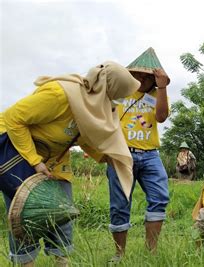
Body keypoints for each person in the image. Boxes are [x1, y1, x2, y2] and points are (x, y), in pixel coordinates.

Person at [0, 61, 140, 267]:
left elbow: (81, 136)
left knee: (62, 214)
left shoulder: (90, 105)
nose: (114, 103)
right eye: (114, 97)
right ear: (104, 90)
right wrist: (35, 161)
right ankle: (25, 263)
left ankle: (62, 262)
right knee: (26, 215)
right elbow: (13, 119)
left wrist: (107, 157)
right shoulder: (59, 95)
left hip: (55, 160)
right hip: (18, 154)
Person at [106, 47, 170, 263]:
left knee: (159, 198)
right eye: (138, 74)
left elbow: (161, 117)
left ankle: (151, 252)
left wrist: (162, 87)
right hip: (122, 155)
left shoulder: (156, 95)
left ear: (155, 78)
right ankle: (119, 254)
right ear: (130, 74)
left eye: (147, 76)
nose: (142, 78)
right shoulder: (119, 93)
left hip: (151, 154)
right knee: (120, 204)